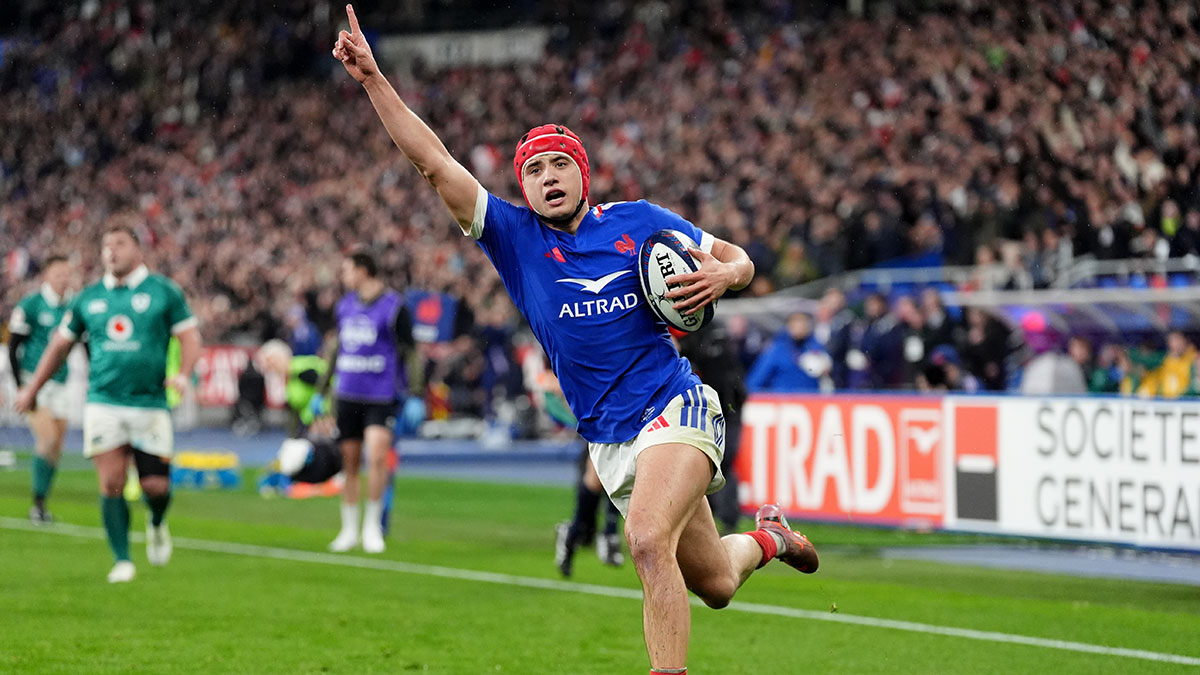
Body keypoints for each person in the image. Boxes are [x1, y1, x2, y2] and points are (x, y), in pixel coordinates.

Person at [333, 8, 818, 672]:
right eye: (534, 171)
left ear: (583, 173)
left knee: (645, 539)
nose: (548, 177)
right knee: (715, 584)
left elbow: (736, 256)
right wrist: (373, 81)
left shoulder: (639, 221)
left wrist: (728, 273)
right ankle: (773, 538)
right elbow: (433, 164)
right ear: (522, 186)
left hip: (676, 406)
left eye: (561, 164)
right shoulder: (513, 238)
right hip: (609, 436)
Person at [14, 224, 201, 583]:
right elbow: (59, 346)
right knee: (111, 481)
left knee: (155, 488)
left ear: (139, 250)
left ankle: (158, 522)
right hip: (103, 402)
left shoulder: (163, 292)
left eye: (120, 244)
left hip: (150, 403)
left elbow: (190, 337)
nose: (111, 251)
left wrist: (185, 372)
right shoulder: (88, 298)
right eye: (106, 246)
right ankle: (122, 559)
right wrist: (31, 387)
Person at [311, 250, 414, 554]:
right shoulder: (344, 307)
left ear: (363, 270)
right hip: (347, 393)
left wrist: (415, 393)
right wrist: (321, 391)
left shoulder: (394, 307)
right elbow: (334, 350)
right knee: (350, 462)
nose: (343, 277)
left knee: (378, 457)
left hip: (380, 394)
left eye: (347, 270)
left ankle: (372, 527)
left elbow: (410, 351)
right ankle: (348, 528)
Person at [7, 255, 76, 524]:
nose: (64, 279)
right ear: (47, 276)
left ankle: (41, 504)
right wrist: (22, 387)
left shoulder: (74, 305)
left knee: (57, 447)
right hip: (34, 383)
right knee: (46, 440)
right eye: (59, 274)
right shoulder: (31, 305)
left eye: (68, 274)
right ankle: (36, 506)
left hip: (61, 383)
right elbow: (14, 347)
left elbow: (83, 343)